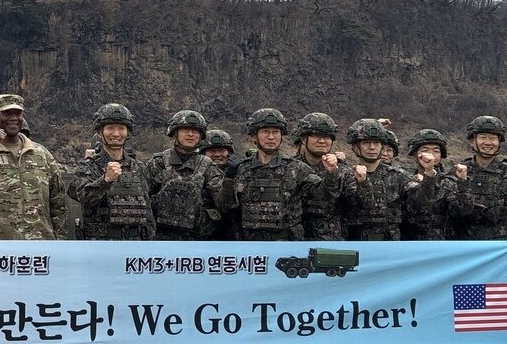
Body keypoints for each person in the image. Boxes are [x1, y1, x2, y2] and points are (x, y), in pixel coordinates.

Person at [0, 94, 67, 240]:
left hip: (40, 244)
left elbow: (58, 202)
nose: (13, 118)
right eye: (7, 113)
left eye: (18, 113)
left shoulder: (42, 155)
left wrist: (60, 242)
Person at [218, 108, 320, 241]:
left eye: (276, 132)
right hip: (249, 247)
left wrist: (332, 174)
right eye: (265, 131)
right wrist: (229, 179)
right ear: (254, 135)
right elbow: (225, 208)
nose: (271, 137)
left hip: (286, 245)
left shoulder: (296, 168)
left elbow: (322, 196)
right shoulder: (242, 169)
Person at [67, 103, 154, 240]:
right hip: (100, 246)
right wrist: (105, 181)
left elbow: (147, 211)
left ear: (127, 132)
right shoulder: (87, 167)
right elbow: (83, 198)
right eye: (110, 128)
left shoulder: (139, 168)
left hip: (135, 245)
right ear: (99, 132)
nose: (116, 133)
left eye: (121, 128)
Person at [447, 115, 507, 243]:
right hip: (464, 245)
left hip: (500, 247)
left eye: (493, 138)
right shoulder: (458, 170)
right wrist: (462, 183)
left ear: (499, 142)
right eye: (483, 137)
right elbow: (452, 211)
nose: (488, 142)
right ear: (472, 141)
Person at [147, 110, 223, 240]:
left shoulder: (208, 167)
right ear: (174, 132)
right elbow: (143, 198)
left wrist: (229, 181)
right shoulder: (158, 163)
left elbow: (223, 205)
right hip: (160, 237)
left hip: (196, 240)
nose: (190, 134)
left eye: (195, 131)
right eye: (185, 130)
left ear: (201, 135)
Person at [344, 119, 423, 241]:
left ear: (382, 146)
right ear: (355, 147)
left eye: (376, 143)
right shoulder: (345, 176)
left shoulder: (398, 176)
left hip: (390, 245)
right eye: (366, 143)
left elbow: (422, 201)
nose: (372, 147)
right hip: (355, 243)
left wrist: (429, 177)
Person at [288, 112, 359, 240]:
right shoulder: (290, 168)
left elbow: (357, 205)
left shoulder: (343, 170)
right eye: (316, 136)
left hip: (332, 242)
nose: (321, 141)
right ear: (304, 139)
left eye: (326, 137)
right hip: (296, 241)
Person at [400, 129, 458, 240]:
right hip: (410, 241)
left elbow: (459, 212)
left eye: (436, 151)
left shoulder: (450, 181)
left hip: (443, 242)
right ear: (415, 154)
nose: (431, 155)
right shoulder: (404, 178)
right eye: (425, 150)